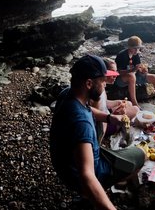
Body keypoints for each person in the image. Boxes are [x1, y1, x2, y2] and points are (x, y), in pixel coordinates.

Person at [50, 55, 146, 210]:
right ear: (89, 83)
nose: (104, 85)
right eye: (102, 81)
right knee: (140, 155)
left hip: (64, 164)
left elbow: (88, 109)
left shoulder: (68, 93)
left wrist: (109, 117)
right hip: (82, 174)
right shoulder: (82, 124)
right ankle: (94, 194)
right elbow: (87, 175)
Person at [115, 36, 155, 111]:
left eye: (138, 48)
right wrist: (132, 70)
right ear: (129, 47)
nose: (136, 50)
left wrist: (143, 71)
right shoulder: (122, 55)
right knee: (131, 76)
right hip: (121, 79)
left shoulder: (136, 55)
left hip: (134, 77)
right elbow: (117, 72)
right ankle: (134, 103)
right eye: (134, 48)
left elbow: (137, 69)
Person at [92, 58, 139, 142]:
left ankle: (123, 123)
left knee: (128, 103)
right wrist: (114, 115)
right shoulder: (97, 90)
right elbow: (97, 117)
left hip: (106, 114)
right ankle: (119, 127)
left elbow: (104, 103)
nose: (116, 75)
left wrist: (118, 102)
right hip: (104, 124)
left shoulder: (102, 84)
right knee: (135, 109)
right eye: (112, 72)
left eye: (116, 71)